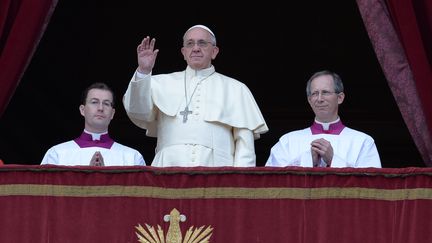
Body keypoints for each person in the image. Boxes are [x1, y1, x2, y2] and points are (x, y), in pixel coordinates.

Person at [123, 24, 268, 167]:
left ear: (214, 51)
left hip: (219, 173)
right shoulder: (158, 83)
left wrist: (240, 183)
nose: (196, 48)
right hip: (168, 170)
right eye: (190, 44)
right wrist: (143, 71)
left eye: (202, 43)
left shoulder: (236, 89)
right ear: (183, 52)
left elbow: (245, 145)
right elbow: (138, 112)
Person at [266, 70, 381, 168]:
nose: (319, 99)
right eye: (315, 93)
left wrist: (333, 160)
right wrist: (308, 160)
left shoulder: (363, 142)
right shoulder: (287, 142)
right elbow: (272, 184)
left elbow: (372, 186)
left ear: (340, 98)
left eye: (325, 92)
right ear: (309, 100)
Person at [41, 82, 145, 166]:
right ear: (82, 110)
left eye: (106, 103)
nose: (100, 108)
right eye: (94, 102)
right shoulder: (56, 154)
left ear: (112, 113)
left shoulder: (132, 157)